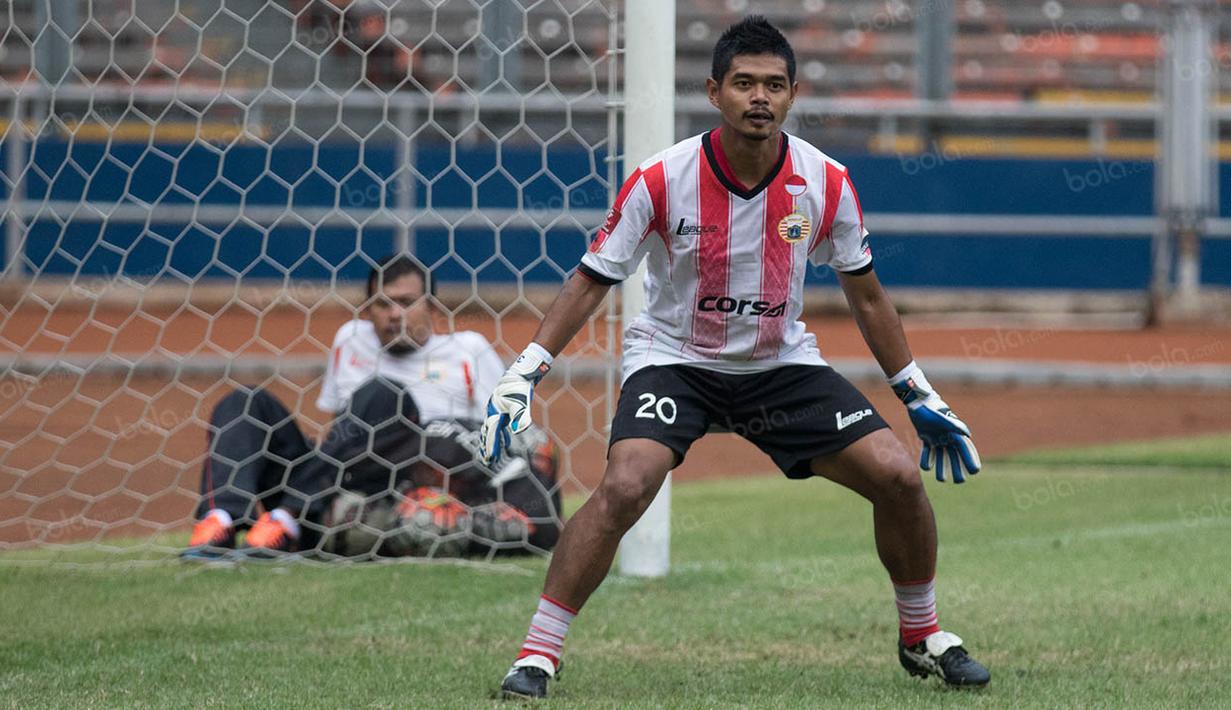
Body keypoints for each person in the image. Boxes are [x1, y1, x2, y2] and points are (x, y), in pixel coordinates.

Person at [480, 16, 990, 699]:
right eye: (744, 83)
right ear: (713, 91)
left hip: (779, 365)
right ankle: (538, 653)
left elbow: (867, 297)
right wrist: (525, 370)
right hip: (675, 360)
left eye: (773, 85)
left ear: (792, 94)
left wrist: (915, 391)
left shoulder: (826, 181)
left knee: (898, 477)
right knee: (627, 486)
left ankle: (921, 636)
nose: (759, 98)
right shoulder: (660, 179)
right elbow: (589, 279)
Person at [183, 254, 561, 558]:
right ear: (367, 310)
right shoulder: (350, 340)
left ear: (431, 306)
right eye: (383, 304)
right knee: (247, 402)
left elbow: (505, 435)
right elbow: (339, 432)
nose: (394, 313)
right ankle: (221, 519)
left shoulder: (468, 350)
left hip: (419, 479)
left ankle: (288, 517)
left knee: (384, 395)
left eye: (406, 302)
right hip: (340, 476)